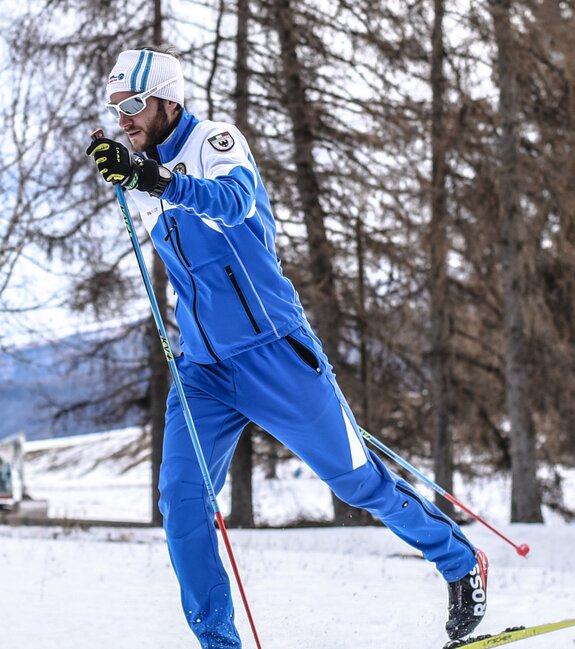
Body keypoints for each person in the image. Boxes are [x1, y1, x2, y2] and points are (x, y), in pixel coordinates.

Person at [84, 49, 489, 648]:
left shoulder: (215, 141)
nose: (126, 119)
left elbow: (233, 204)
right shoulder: (137, 171)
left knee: (357, 482)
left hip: (273, 350)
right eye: (118, 109)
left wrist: (155, 178)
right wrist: (141, 175)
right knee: (181, 502)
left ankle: (460, 562)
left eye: (135, 105)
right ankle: (218, 642)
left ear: (171, 100)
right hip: (202, 368)